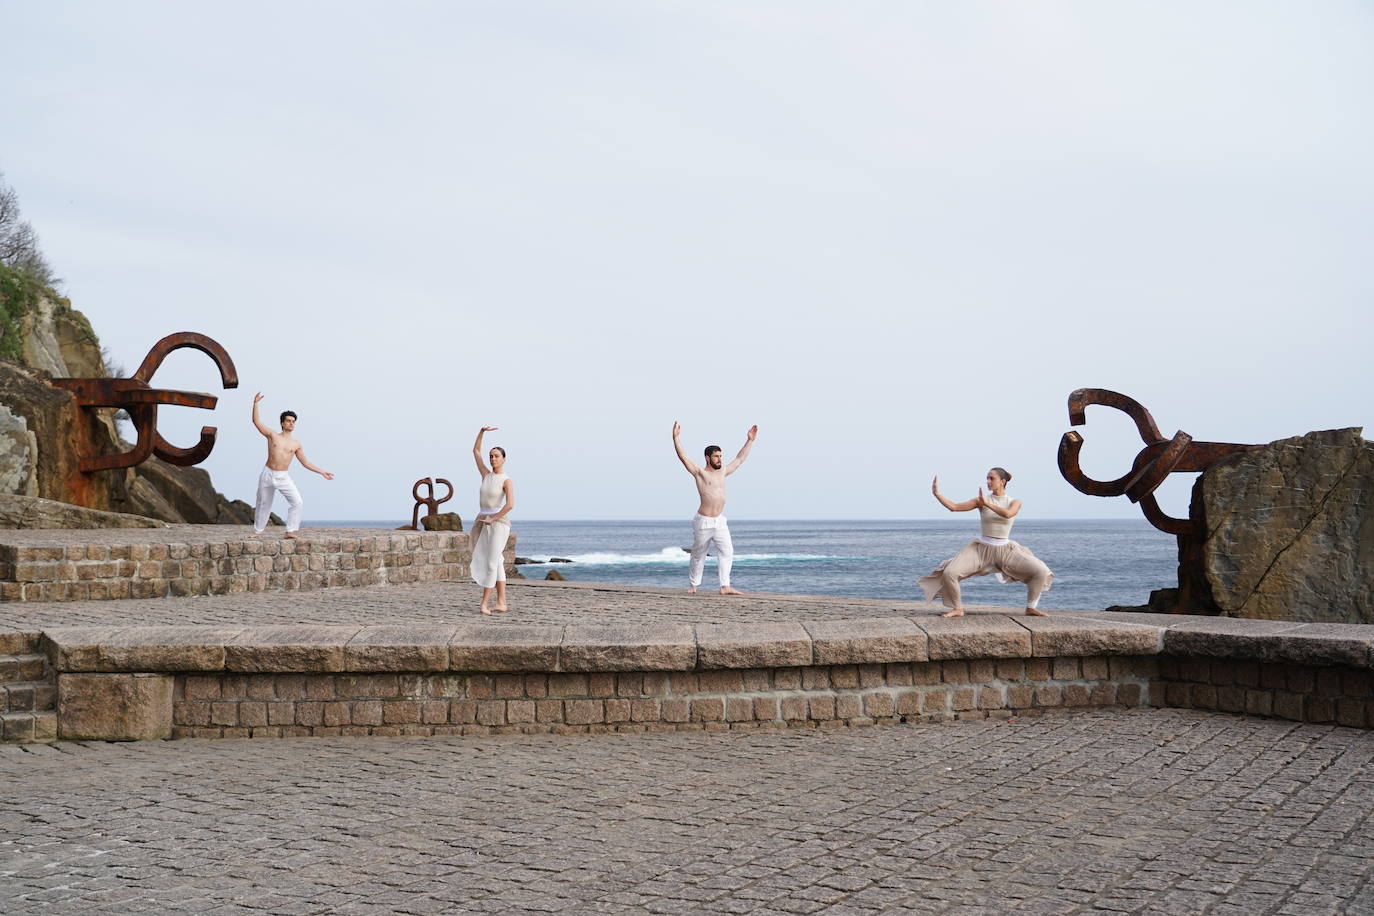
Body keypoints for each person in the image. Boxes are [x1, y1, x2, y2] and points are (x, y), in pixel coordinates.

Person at [918, 468, 1052, 617]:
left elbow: (1008, 514)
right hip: (981, 550)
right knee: (950, 572)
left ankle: (1031, 607)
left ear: (1002, 481)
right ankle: (958, 608)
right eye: (987, 478)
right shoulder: (980, 501)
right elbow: (954, 507)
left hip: (1006, 551)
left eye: (991, 478)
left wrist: (987, 504)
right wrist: (937, 494)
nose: (988, 482)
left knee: (1040, 571)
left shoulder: (1014, 502)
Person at [672, 421, 757, 595]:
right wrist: (675, 438)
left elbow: (740, 459)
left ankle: (724, 586)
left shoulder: (723, 472)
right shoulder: (699, 473)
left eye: (720, 456)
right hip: (703, 521)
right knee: (698, 554)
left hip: (719, 521)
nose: (720, 459)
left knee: (727, 551)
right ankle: (694, 585)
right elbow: (683, 457)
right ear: (708, 458)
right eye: (716, 456)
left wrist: (749, 441)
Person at [249, 393, 333, 539]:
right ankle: (258, 532)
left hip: (283, 476)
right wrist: (255, 403)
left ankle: (290, 531)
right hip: (268, 473)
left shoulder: (296, 444)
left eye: (293, 421)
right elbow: (256, 421)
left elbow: (305, 462)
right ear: (282, 423)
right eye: (288, 421)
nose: (291, 423)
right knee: (263, 503)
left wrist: (322, 472)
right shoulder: (273, 435)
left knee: (297, 502)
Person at [470, 426, 514, 615]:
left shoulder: (506, 480)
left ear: (503, 459)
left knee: (491, 562)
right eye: (491, 456)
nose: (493, 459)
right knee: (497, 561)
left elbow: (510, 504)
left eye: (496, 456)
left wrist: (493, 518)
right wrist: (482, 432)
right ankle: (502, 602)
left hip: (499, 523)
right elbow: (476, 451)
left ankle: (484, 603)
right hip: (483, 519)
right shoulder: (486, 475)